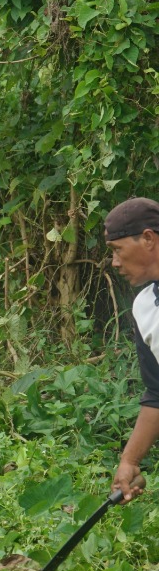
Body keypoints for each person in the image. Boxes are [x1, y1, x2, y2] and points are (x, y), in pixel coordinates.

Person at [104, 199, 159, 505]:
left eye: (117, 249)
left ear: (148, 238)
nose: (114, 262)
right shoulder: (144, 307)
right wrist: (129, 461)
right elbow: (157, 393)